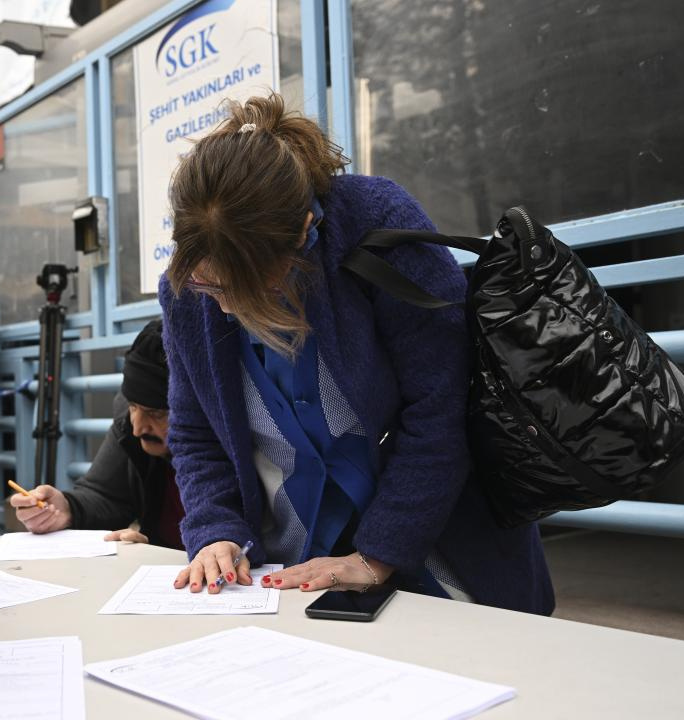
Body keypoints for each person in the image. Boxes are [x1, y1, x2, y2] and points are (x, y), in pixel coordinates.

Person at [159, 93, 554, 614]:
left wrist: (377, 555)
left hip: (445, 557)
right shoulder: (187, 289)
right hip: (292, 574)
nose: (227, 309)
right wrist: (214, 531)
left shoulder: (375, 224)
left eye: (246, 285)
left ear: (302, 233)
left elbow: (444, 407)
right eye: (213, 286)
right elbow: (194, 433)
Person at [8, 320, 186, 550]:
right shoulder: (127, 424)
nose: (138, 428)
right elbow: (106, 494)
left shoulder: (233, 442)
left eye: (156, 413)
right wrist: (66, 509)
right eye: (133, 406)